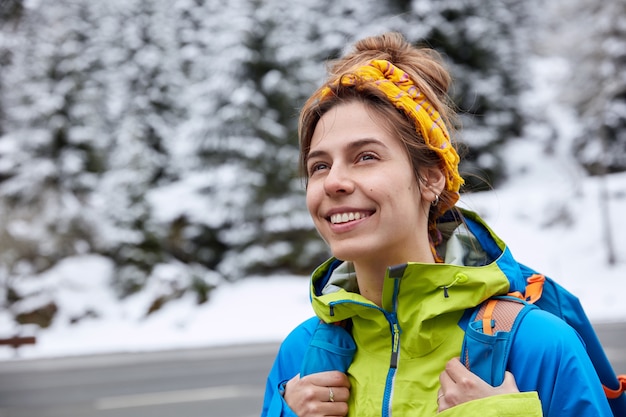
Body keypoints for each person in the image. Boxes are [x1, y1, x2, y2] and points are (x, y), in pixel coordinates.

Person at [260, 32, 612, 417]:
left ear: (431, 178)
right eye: (320, 165)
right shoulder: (302, 355)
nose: (333, 182)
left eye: (365, 157)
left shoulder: (537, 344)